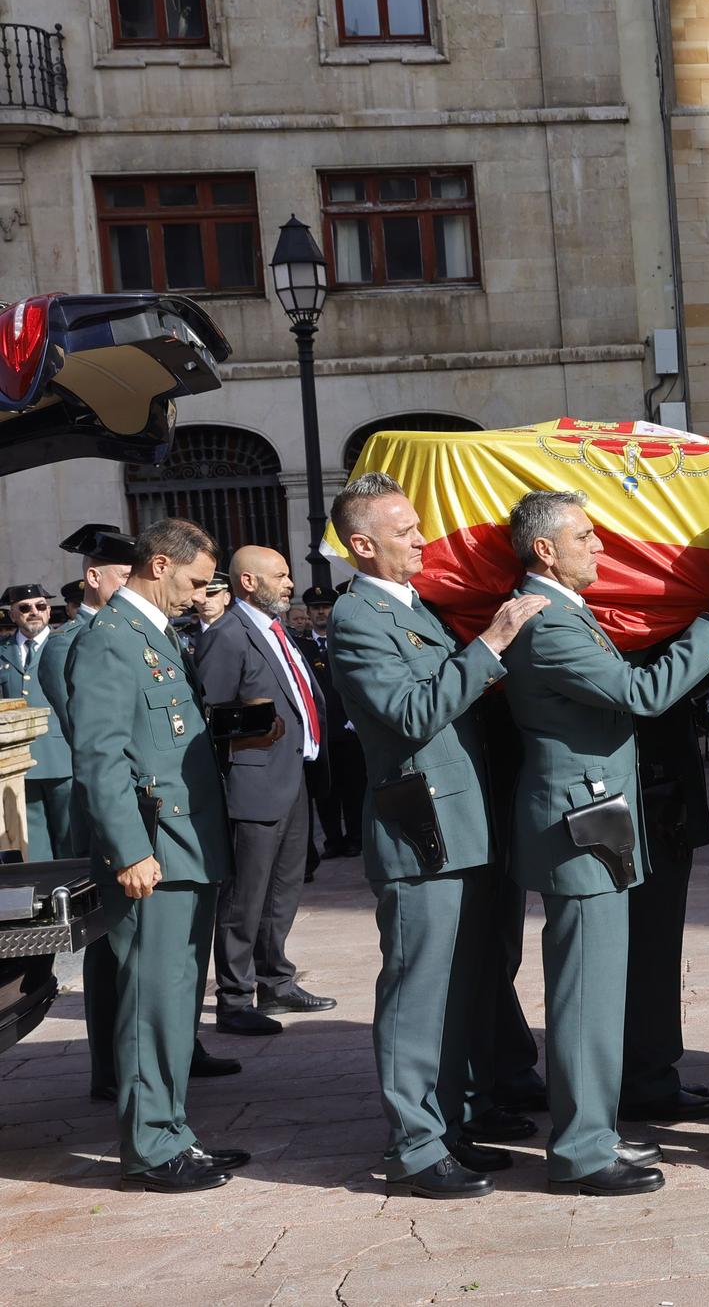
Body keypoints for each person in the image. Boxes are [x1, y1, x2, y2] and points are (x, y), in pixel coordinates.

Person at [501, 489, 709, 1196]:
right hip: (580, 821)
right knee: (587, 990)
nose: (602, 548)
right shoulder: (550, 623)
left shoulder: (564, 612)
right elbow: (642, 694)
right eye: (587, 536)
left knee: (600, 982)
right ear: (545, 549)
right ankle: (582, 1149)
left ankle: (594, 1132)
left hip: (597, 816)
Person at [322, 475, 549, 1199]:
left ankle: (447, 1126)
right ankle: (414, 1147)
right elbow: (413, 711)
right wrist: (491, 643)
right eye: (406, 529)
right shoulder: (359, 617)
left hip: (458, 825)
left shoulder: (412, 605)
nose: (423, 538)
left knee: (458, 991)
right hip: (420, 831)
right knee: (418, 992)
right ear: (362, 544)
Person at [69, 518, 249, 1191]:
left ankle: (173, 1129)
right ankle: (149, 1145)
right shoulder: (112, 639)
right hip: (154, 853)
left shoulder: (154, 634)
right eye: (195, 580)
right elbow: (100, 755)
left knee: (175, 1000)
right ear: (159, 564)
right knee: (150, 1001)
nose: (201, 595)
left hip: (184, 847)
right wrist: (129, 849)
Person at [194, 548, 337, 1036]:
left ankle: (276, 980)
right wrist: (250, 730)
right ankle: (235, 999)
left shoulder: (279, 633)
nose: (291, 583)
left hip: (293, 775)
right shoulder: (228, 636)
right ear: (249, 581)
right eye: (281, 575)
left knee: (283, 889)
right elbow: (210, 715)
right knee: (245, 898)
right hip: (252, 782)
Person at [621, 687, 709, 1127]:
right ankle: (644, 1080)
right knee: (650, 943)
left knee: (656, 943)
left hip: (660, 782)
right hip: (649, 786)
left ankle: (652, 1071)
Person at [0, 582, 70, 862]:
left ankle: (74, 898)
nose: (34, 612)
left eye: (40, 606)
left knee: (70, 837)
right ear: (13, 615)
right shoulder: (3, 651)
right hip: (17, 762)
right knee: (33, 841)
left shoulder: (65, 644)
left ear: (49, 611)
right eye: (25, 608)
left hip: (62, 755)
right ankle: (42, 898)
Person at [296, 584, 364, 858]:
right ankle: (333, 840)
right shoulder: (300, 646)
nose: (322, 611)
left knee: (354, 788)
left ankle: (356, 838)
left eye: (326, 606)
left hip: (349, 730)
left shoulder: (347, 640)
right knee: (325, 792)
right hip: (321, 732)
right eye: (316, 608)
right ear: (309, 613)